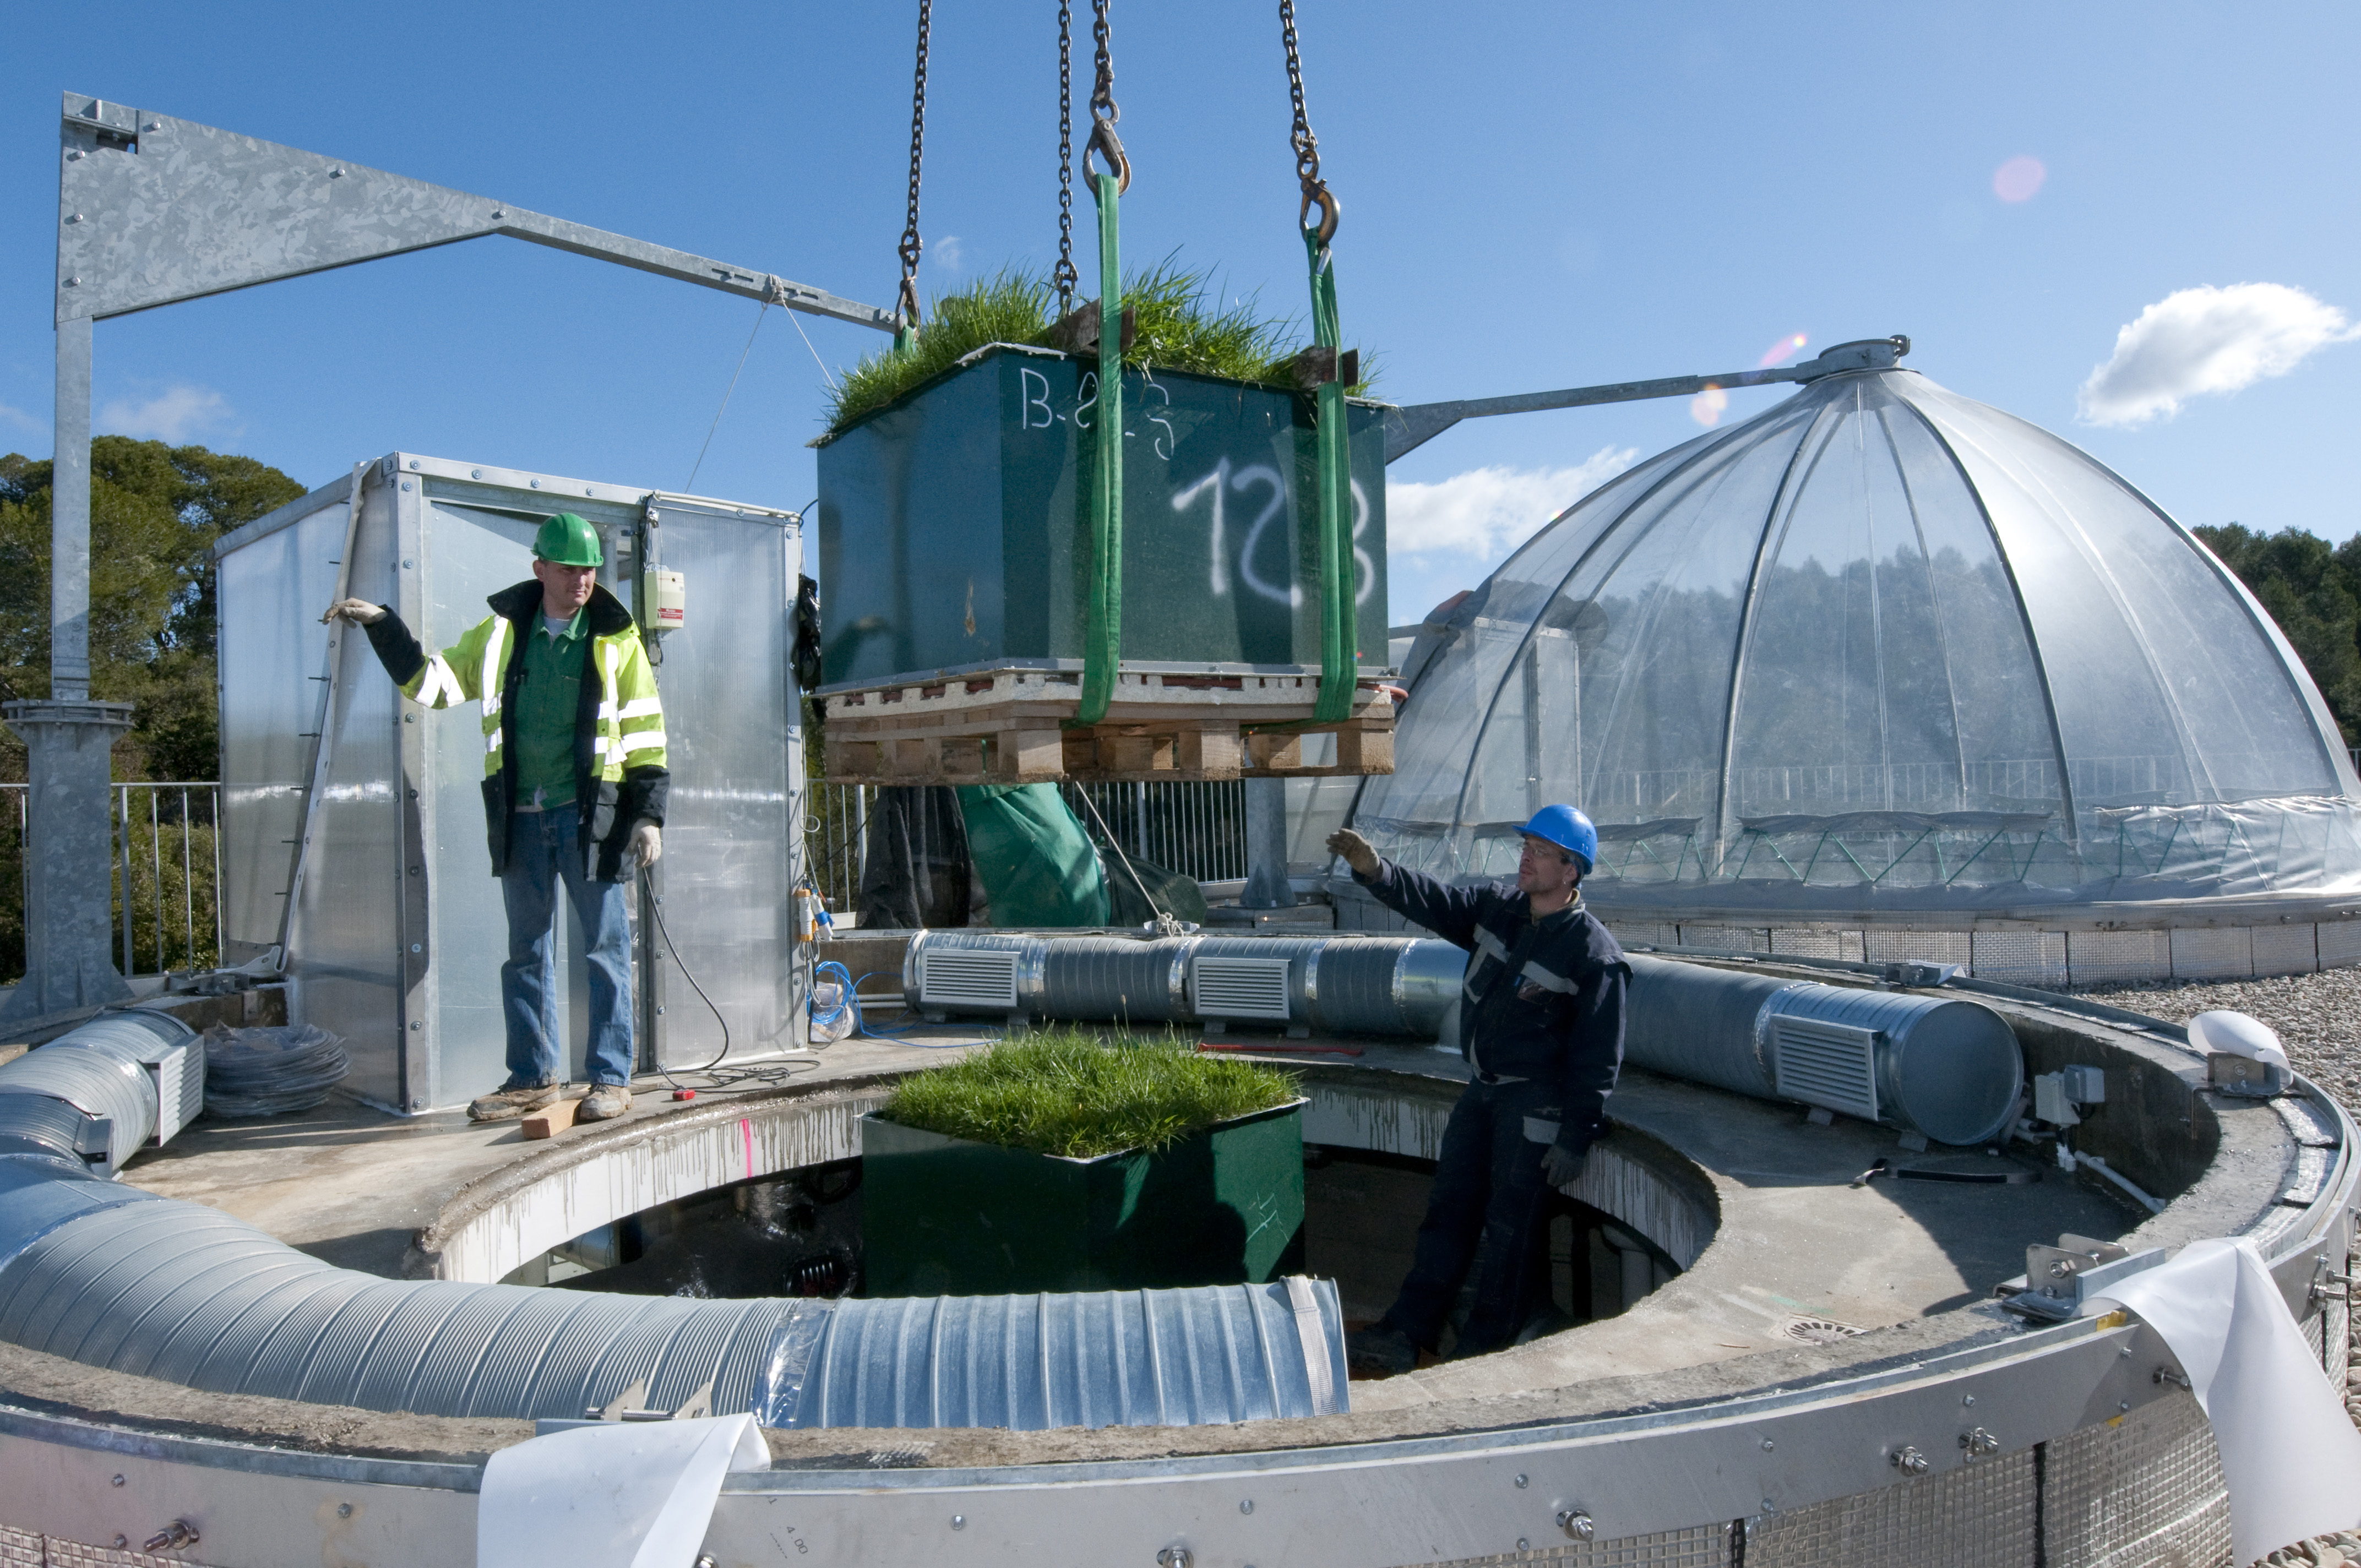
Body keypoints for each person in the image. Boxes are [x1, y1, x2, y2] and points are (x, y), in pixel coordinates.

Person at [325, 512, 667, 1124]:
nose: (582, 581)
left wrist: (648, 816)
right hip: (522, 816)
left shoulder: (617, 640)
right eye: (568, 569)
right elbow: (430, 686)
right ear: (540, 569)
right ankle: (534, 1077)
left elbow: (645, 734)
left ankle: (611, 1080)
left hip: (592, 820)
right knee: (526, 952)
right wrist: (384, 626)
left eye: (588, 569)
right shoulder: (500, 633)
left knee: (605, 949)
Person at [1325, 805, 1628, 1375]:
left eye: (1540, 851)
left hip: (1533, 1107)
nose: (1526, 857)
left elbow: (1597, 1058)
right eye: (1527, 846)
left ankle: (1482, 1352)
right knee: (1448, 1213)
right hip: (1482, 1092)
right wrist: (1377, 871)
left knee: (1510, 1232)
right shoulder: (1501, 909)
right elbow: (1437, 902)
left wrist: (1575, 1136)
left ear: (1571, 870)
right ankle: (1404, 1331)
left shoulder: (1593, 954)